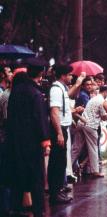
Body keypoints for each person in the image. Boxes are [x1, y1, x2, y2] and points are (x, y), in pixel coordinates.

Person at [6, 59, 51, 217]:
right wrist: (45, 140)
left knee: (18, 175)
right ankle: (38, 210)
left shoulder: (15, 92)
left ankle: (15, 208)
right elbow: (40, 119)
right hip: (32, 143)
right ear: (40, 73)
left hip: (15, 141)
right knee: (36, 177)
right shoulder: (36, 94)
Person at [47, 65, 85, 204]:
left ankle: (58, 190)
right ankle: (55, 194)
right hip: (59, 129)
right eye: (69, 74)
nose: (71, 76)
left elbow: (68, 95)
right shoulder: (56, 89)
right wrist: (59, 133)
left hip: (63, 128)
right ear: (63, 75)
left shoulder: (61, 88)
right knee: (57, 162)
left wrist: (78, 83)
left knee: (61, 161)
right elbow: (54, 112)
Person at [72, 85, 107, 178]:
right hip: (91, 126)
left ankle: (67, 169)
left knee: (76, 148)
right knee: (93, 148)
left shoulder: (92, 99)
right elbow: (104, 116)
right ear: (105, 92)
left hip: (81, 123)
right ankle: (95, 171)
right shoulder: (102, 101)